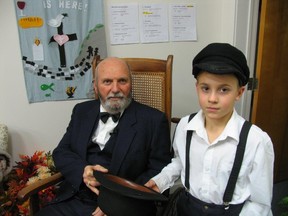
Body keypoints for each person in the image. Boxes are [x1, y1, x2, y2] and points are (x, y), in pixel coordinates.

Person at [145, 43, 274, 216]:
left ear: (239, 92)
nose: (212, 99)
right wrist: (160, 181)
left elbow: (260, 204)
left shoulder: (256, 140)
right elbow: (180, 162)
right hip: (187, 209)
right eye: (206, 89)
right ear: (197, 88)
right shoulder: (185, 126)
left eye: (224, 90)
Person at [35, 57, 172, 216]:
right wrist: (83, 170)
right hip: (74, 198)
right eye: (107, 82)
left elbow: (159, 171)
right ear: (95, 85)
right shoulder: (81, 111)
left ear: (131, 83)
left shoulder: (154, 120)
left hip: (125, 205)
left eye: (122, 81)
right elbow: (61, 152)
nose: (115, 89)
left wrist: (115, 204)